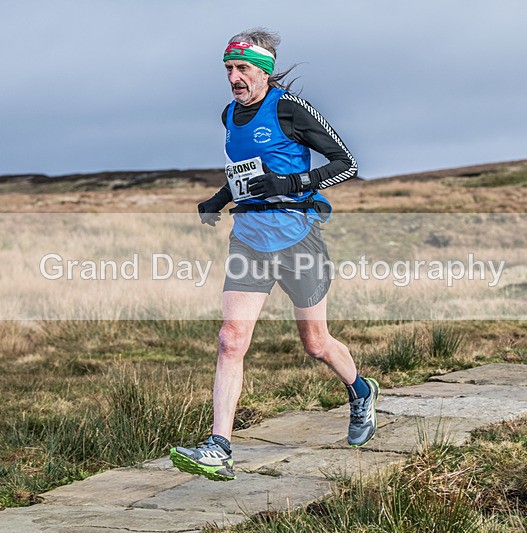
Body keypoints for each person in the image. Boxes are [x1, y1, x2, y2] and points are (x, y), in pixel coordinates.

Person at [170, 27, 378, 482]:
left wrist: (291, 184)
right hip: (248, 239)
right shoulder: (228, 115)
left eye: (243, 68)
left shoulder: (288, 108)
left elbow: (347, 163)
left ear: (263, 71)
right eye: (228, 69)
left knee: (316, 344)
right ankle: (219, 447)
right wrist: (219, 198)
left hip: (297, 239)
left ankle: (361, 391)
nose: (233, 77)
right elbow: (246, 173)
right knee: (230, 338)